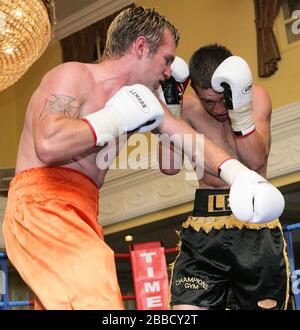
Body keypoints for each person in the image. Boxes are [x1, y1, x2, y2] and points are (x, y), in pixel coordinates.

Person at [2, 5, 284, 309]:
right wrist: (115, 118)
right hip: (42, 203)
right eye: (166, 60)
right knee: (98, 296)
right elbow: (49, 142)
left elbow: (188, 140)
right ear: (140, 47)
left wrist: (239, 176)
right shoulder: (74, 75)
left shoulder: (142, 101)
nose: (167, 72)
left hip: (84, 207)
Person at [159, 44, 289, 310]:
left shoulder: (257, 98)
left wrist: (238, 110)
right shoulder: (188, 108)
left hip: (254, 227)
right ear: (195, 90)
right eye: (209, 101)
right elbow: (170, 166)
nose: (219, 109)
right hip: (204, 227)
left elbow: (254, 162)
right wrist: (170, 107)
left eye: (223, 99)